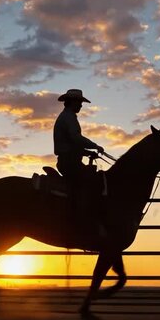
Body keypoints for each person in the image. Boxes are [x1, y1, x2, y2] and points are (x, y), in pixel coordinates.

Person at [53, 89, 105, 236]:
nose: (81, 105)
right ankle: (83, 219)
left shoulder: (66, 117)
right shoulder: (69, 118)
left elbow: (72, 143)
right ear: (72, 102)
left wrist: (86, 152)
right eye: (79, 102)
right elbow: (76, 138)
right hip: (70, 163)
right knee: (91, 183)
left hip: (68, 160)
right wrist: (94, 146)